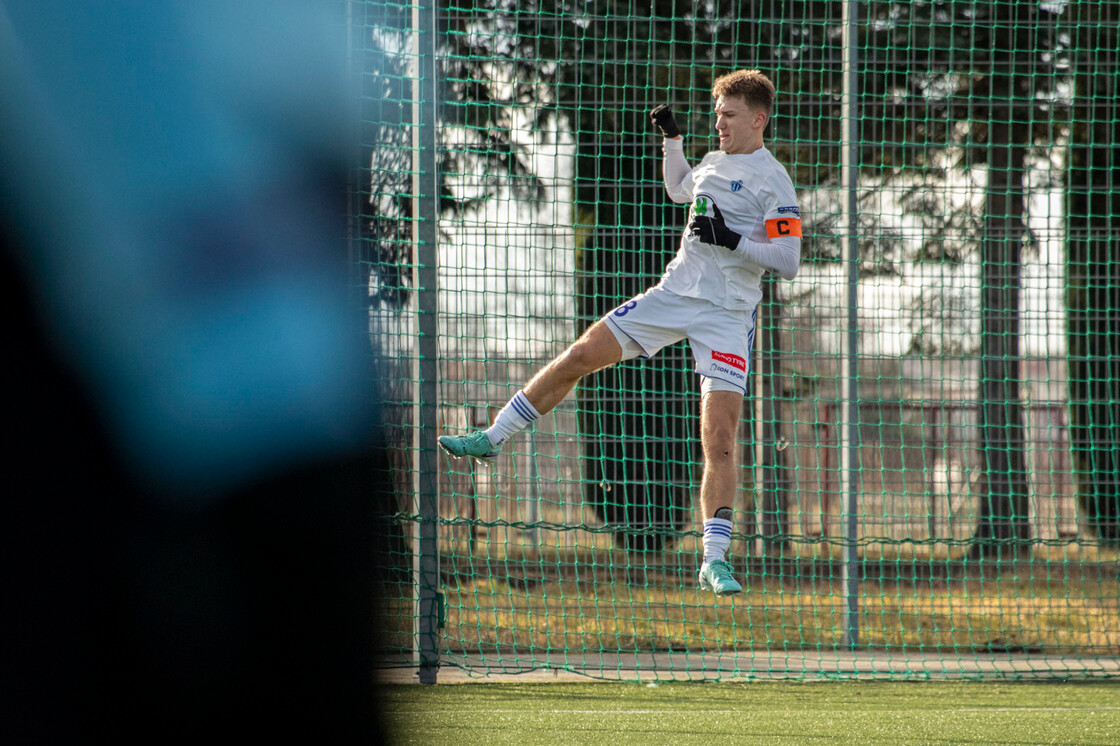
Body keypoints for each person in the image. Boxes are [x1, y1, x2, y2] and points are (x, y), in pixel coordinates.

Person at [439, 69, 802, 596]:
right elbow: (680, 190)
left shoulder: (775, 180)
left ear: (757, 119)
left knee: (719, 439)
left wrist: (730, 240)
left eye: (727, 115)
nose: (718, 123)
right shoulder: (713, 162)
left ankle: (714, 559)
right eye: (716, 113)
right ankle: (493, 437)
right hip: (673, 296)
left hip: (727, 316)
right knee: (581, 354)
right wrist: (672, 142)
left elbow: (787, 260)